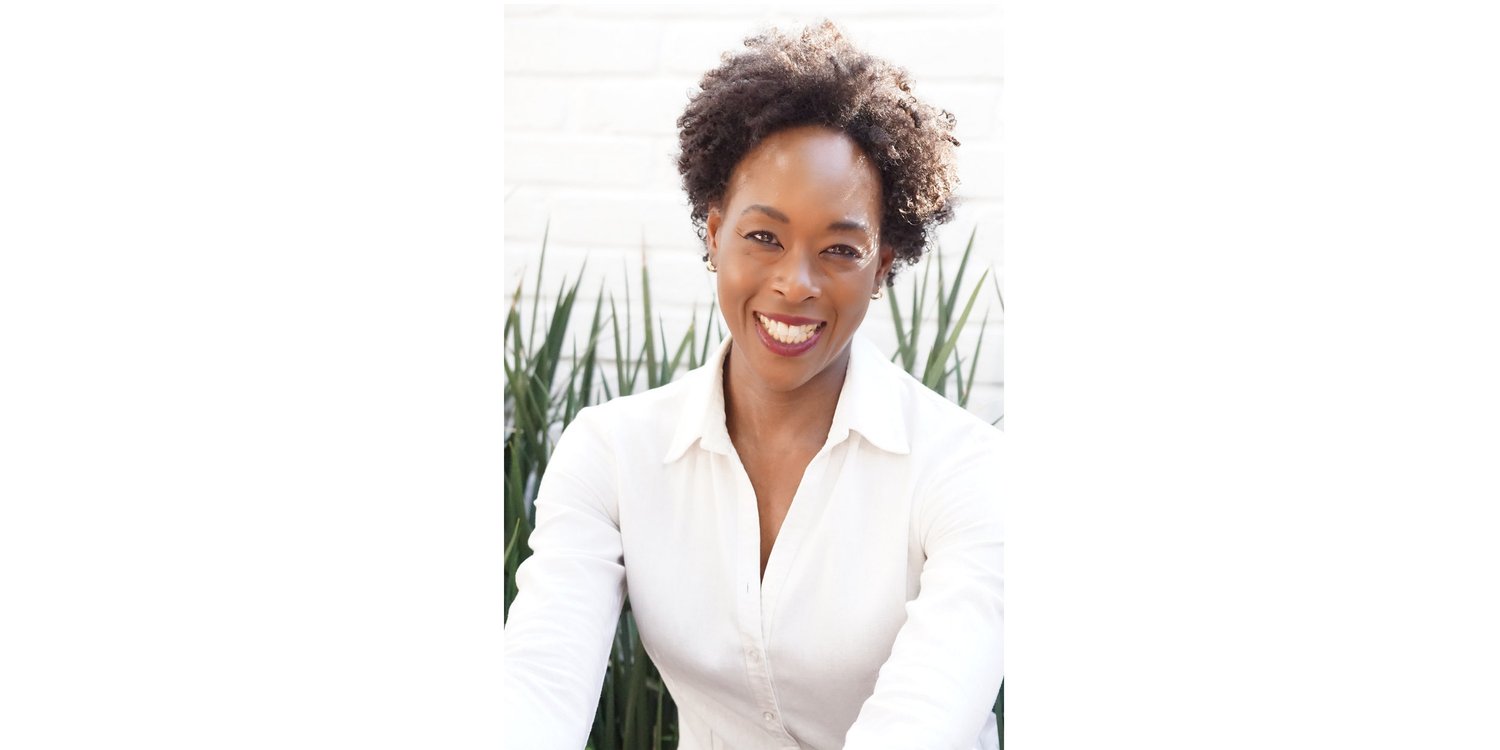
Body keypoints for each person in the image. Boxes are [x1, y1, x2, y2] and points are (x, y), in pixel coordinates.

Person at [504, 20, 1003, 750]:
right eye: (763, 237)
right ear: (714, 234)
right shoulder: (613, 453)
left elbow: (924, 720)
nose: (795, 283)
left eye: (840, 249)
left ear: (883, 266)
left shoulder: (966, 471)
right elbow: (539, 683)